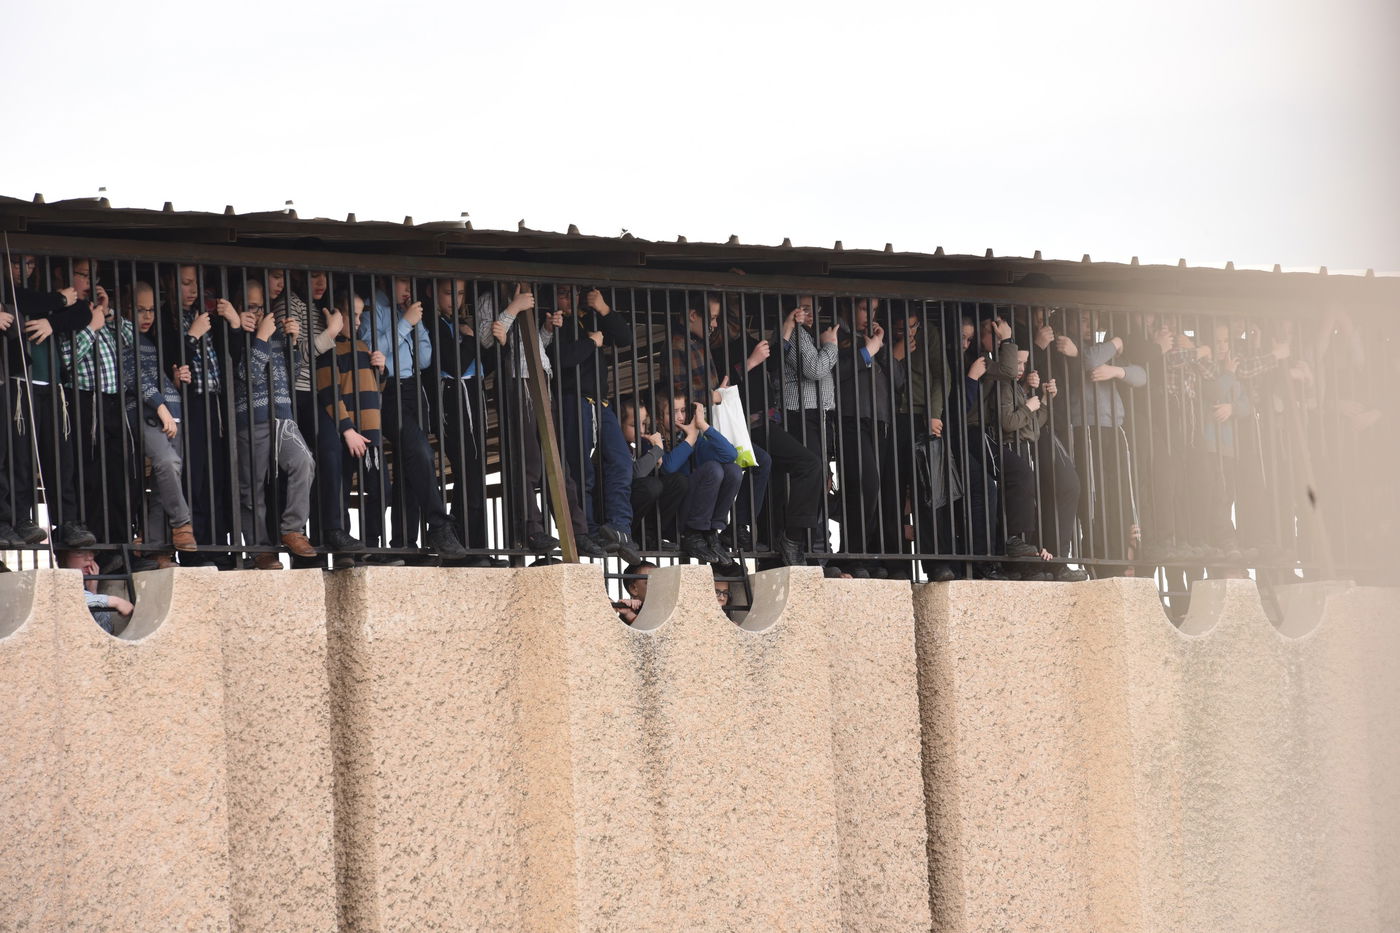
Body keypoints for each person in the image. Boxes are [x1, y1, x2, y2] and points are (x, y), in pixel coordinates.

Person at [476, 281, 604, 557]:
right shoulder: (492, 297)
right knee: (529, 461)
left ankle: (576, 531)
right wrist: (514, 307)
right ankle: (531, 529)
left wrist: (546, 330)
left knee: (558, 463)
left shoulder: (528, 298)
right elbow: (487, 339)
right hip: (514, 380)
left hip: (541, 378)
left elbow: (533, 347)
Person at [359, 276, 467, 560]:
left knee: (411, 466)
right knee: (419, 450)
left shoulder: (404, 311)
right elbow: (373, 350)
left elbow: (425, 359)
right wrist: (405, 323)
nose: (409, 290)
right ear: (386, 282)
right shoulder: (373, 308)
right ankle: (438, 523)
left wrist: (412, 323)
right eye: (404, 282)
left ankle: (404, 542)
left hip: (412, 387)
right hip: (385, 388)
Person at [0, 255, 92, 548]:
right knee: (20, 457)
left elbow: (83, 314)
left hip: (52, 384)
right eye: (16, 263)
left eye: (29, 264)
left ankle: (67, 522)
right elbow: (20, 299)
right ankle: (21, 519)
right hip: (18, 382)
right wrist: (57, 301)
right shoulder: (13, 290)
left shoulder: (48, 292)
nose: (23, 270)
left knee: (61, 457)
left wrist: (53, 320)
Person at [229, 282, 317, 570]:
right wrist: (262, 338)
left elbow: (291, 377)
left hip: (282, 415)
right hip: (251, 417)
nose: (257, 312)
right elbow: (248, 376)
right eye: (251, 306)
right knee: (251, 488)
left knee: (304, 462)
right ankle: (260, 550)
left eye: (260, 306)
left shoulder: (275, 332)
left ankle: (292, 529)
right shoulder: (235, 335)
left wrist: (292, 344)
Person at [550, 284, 641, 563]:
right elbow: (561, 359)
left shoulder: (589, 317)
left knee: (622, 461)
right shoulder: (552, 323)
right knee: (582, 469)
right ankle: (586, 529)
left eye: (572, 294)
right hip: (572, 399)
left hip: (600, 402)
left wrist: (603, 309)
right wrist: (591, 342)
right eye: (563, 293)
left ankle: (619, 528)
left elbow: (625, 337)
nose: (569, 299)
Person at [162, 263, 236, 566]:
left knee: (217, 475)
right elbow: (169, 359)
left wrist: (230, 322)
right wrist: (191, 336)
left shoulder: (204, 317)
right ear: (170, 284)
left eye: (195, 284)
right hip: (187, 403)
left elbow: (230, 354)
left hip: (215, 401)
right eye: (185, 284)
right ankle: (196, 550)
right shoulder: (166, 317)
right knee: (194, 475)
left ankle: (219, 546)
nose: (192, 291)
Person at [1063, 309, 1148, 574]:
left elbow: (1141, 377)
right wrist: (1117, 343)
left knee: (1121, 490)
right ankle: (1098, 558)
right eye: (1084, 319)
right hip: (1086, 427)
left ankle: (1124, 552)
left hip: (1114, 427)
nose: (1089, 324)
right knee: (1093, 493)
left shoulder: (1104, 353)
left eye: (1093, 320)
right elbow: (1089, 360)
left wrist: (1115, 371)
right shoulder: (1070, 345)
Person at [120, 282, 196, 558]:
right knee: (167, 463)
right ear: (126, 309)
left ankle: (156, 550)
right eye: (140, 310)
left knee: (167, 479)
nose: (147, 316)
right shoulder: (123, 337)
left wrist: (173, 383)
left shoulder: (154, 340)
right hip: (149, 413)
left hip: (172, 413)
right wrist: (160, 405)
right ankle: (182, 524)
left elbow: (155, 376)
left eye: (151, 310)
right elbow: (133, 375)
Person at [834, 297, 905, 576]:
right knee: (863, 484)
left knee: (877, 490)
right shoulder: (836, 336)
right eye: (865, 308)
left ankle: (867, 554)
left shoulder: (872, 338)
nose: (869, 315)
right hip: (851, 419)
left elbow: (899, 381)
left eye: (873, 310)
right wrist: (868, 350)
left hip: (880, 423)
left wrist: (881, 346)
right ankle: (853, 553)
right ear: (847, 307)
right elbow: (836, 374)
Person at [426, 277, 494, 564]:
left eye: (461, 293)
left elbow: (481, 364)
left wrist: (494, 345)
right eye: (447, 292)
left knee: (475, 470)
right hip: (452, 398)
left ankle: (474, 545)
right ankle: (466, 546)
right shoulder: (431, 321)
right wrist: (469, 338)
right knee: (468, 468)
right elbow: (453, 363)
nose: (455, 298)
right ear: (431, 291)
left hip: (470, 394)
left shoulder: (452, 322)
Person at [316, 292, 385, 561]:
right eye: (352, 314)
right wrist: (347, 429)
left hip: (369, 431)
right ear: (337, 315)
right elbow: (328, 391)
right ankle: (345, 551)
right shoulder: (329, 348)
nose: (358, 321)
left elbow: (375, 390)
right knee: (342, 487)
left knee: (380, 489)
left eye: (360, 315)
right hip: (349, 431)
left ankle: (370, 545)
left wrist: (382, 370)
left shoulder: (363, 346)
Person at [657, 387, 741, 567]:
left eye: (683, 411)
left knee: (733, 470)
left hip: (700, 516)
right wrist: (691, 438)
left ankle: (712, 532)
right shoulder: (657, 439)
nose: (680, 417)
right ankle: (693, 534)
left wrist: (703, 426)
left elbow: (730, 455)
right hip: (675, 516)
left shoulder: (692, 438)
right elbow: (669, 468)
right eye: (673, 412)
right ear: (659, 417)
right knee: (712, 469)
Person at [617, 394, 688, 546]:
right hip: (612, 511)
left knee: (678, 481)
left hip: (632, 506)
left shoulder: (636, 444)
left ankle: (650, 536)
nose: (641, 429)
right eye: (634, 425)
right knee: (651, 486)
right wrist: (657, 450)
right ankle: (629, 534)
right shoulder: (616, 444)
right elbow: (635, 474)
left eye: (643, 424)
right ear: (619, 424)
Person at [58, 548, 133, 635]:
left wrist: (93, 591)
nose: (89, 558)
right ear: (62, 557)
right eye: (79, 552)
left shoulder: (88, 590)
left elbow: (105, 632)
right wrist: (114, 601)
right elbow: (69, 596)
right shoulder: (55, 581)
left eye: (92, 552)